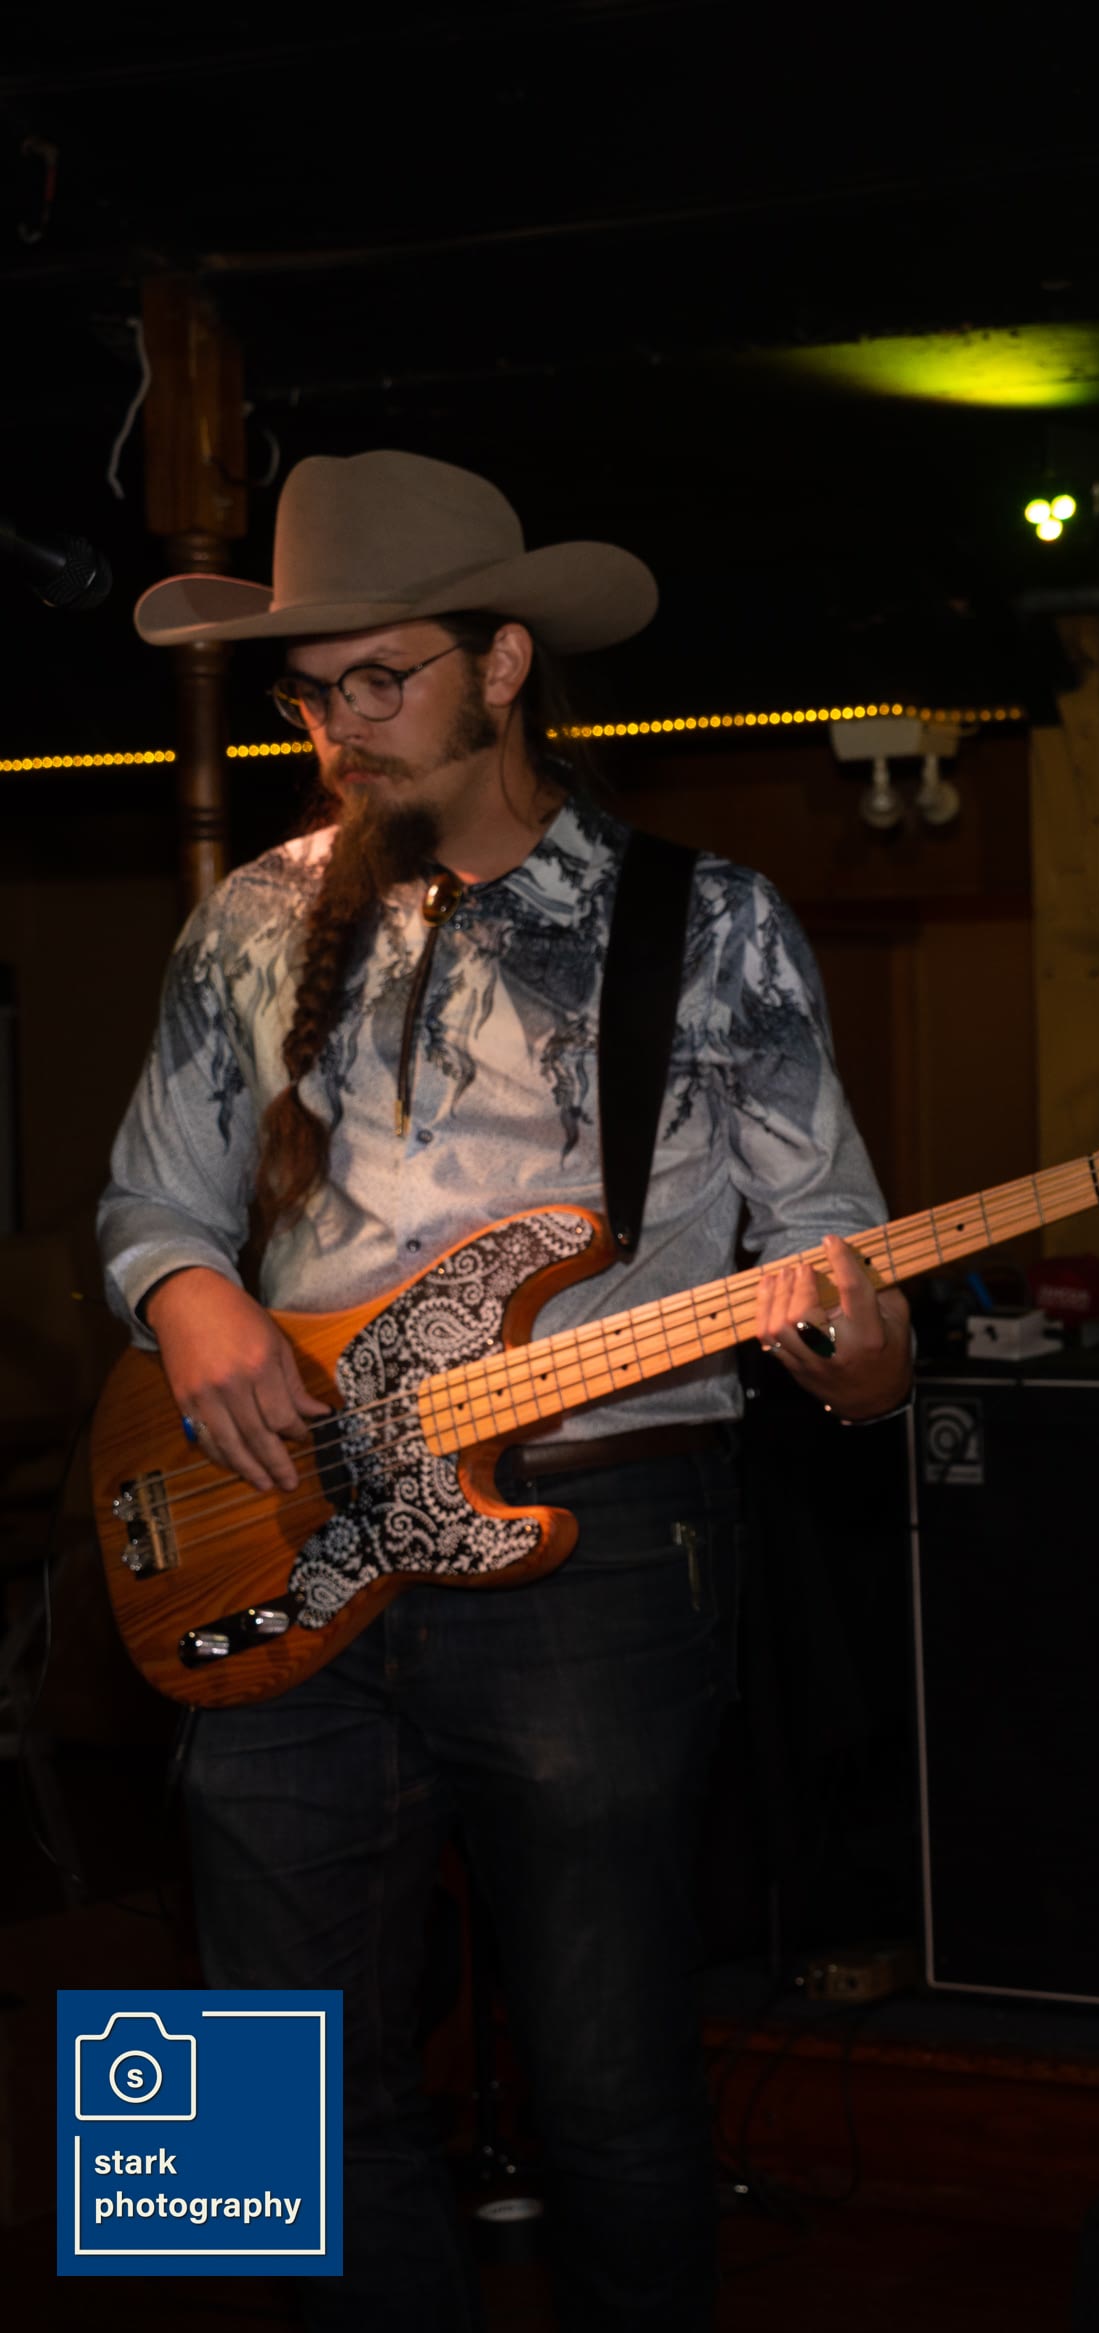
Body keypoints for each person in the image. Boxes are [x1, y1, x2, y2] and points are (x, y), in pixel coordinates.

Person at [98, 451, 911, 2330]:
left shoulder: (707, 920)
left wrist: (865, 1361)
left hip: (597, 1535)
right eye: (310, 694)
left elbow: (835, 1242)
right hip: (270, 1509)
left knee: (607, 2079)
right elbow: (149, 1196)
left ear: (506, 662)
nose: (337, 729)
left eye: (379, 680)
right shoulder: (249, 915)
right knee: (236, 2091)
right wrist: (190, 1293)